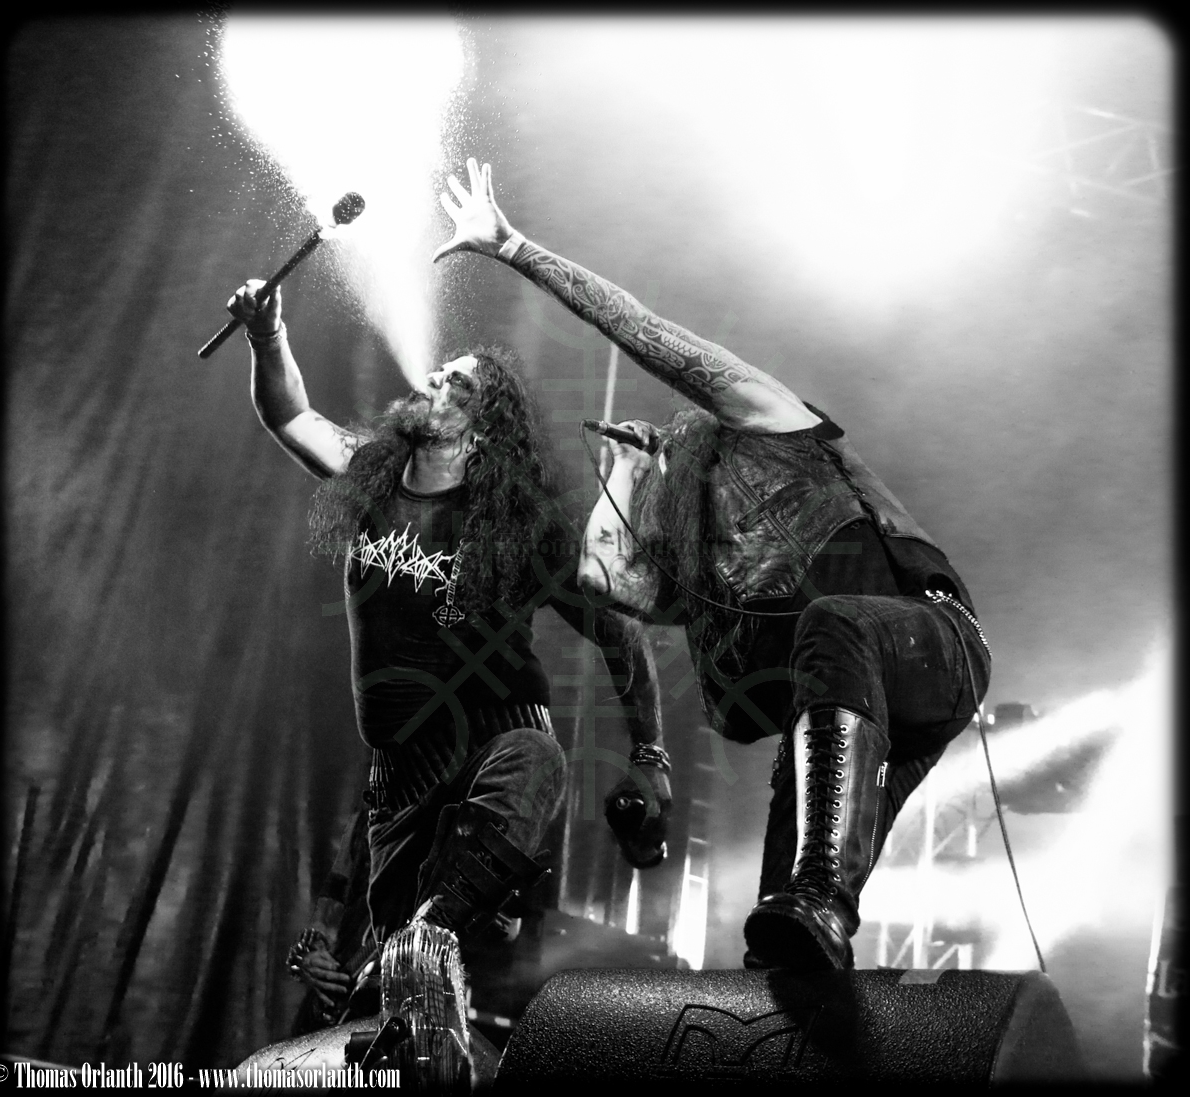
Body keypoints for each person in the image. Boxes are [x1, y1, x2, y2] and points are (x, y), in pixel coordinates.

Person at [433, 158, 991, 974]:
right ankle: (811, 948)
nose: (669, 448)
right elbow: (605, 581)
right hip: (851, 707)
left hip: (935, 644)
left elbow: (642, 330)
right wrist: (625, 471)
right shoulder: (704, 563)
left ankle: (823, 897)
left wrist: (515, 248)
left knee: (833, 632)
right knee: (780, 937)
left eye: (670, 446)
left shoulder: (767, 419)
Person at [225, 279, 667, 1080]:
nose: (433, 378)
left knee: (534, 759)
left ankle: (444, 928)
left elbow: (619, 628)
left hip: (493, 735)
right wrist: (267, 336)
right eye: (439, 371)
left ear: (484, 426)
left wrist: (651, 754)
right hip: (400, 774)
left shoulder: (518, 525)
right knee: (394, 993)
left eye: (457, 381)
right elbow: (291, 415)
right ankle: (416, 961)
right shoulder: (371, 474)